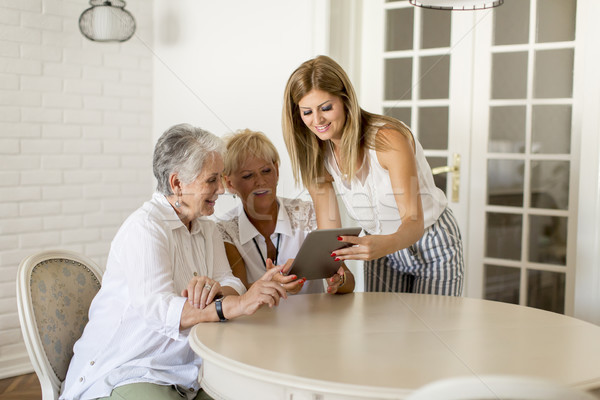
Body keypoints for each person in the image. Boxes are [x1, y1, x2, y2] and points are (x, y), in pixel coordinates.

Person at [60, 124, 287, 400]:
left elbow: (230, 281)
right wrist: (235, 304)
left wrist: (216, 291)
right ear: (177, 184)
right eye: (211, 180)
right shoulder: (145, 228)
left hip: (189, 368)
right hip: (131, 367)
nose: (221, 189)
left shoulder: (206, 227)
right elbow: (159, 309)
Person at [282, 55, 464, 296]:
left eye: (326, 108)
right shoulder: (317, 156)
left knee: (432, 328)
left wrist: (383, 244)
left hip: (430, 241)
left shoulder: (387, 139)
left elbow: (413, 221)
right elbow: (330, 232)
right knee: (384, 330)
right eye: (307, 112)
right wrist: (338, 269)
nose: (318, 120)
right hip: (379, 248)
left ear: (345, 100)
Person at [216, 129, 355, 295]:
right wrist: (270, 285)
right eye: (247, 176)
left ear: (276, 170)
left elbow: (348, 281)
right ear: (229, 183)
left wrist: (339, 280)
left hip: (314, 320)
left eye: (266, 171)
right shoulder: (225, 230)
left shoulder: (308, 213)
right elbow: (236, 292)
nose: (260, 181)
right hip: (258, 321)